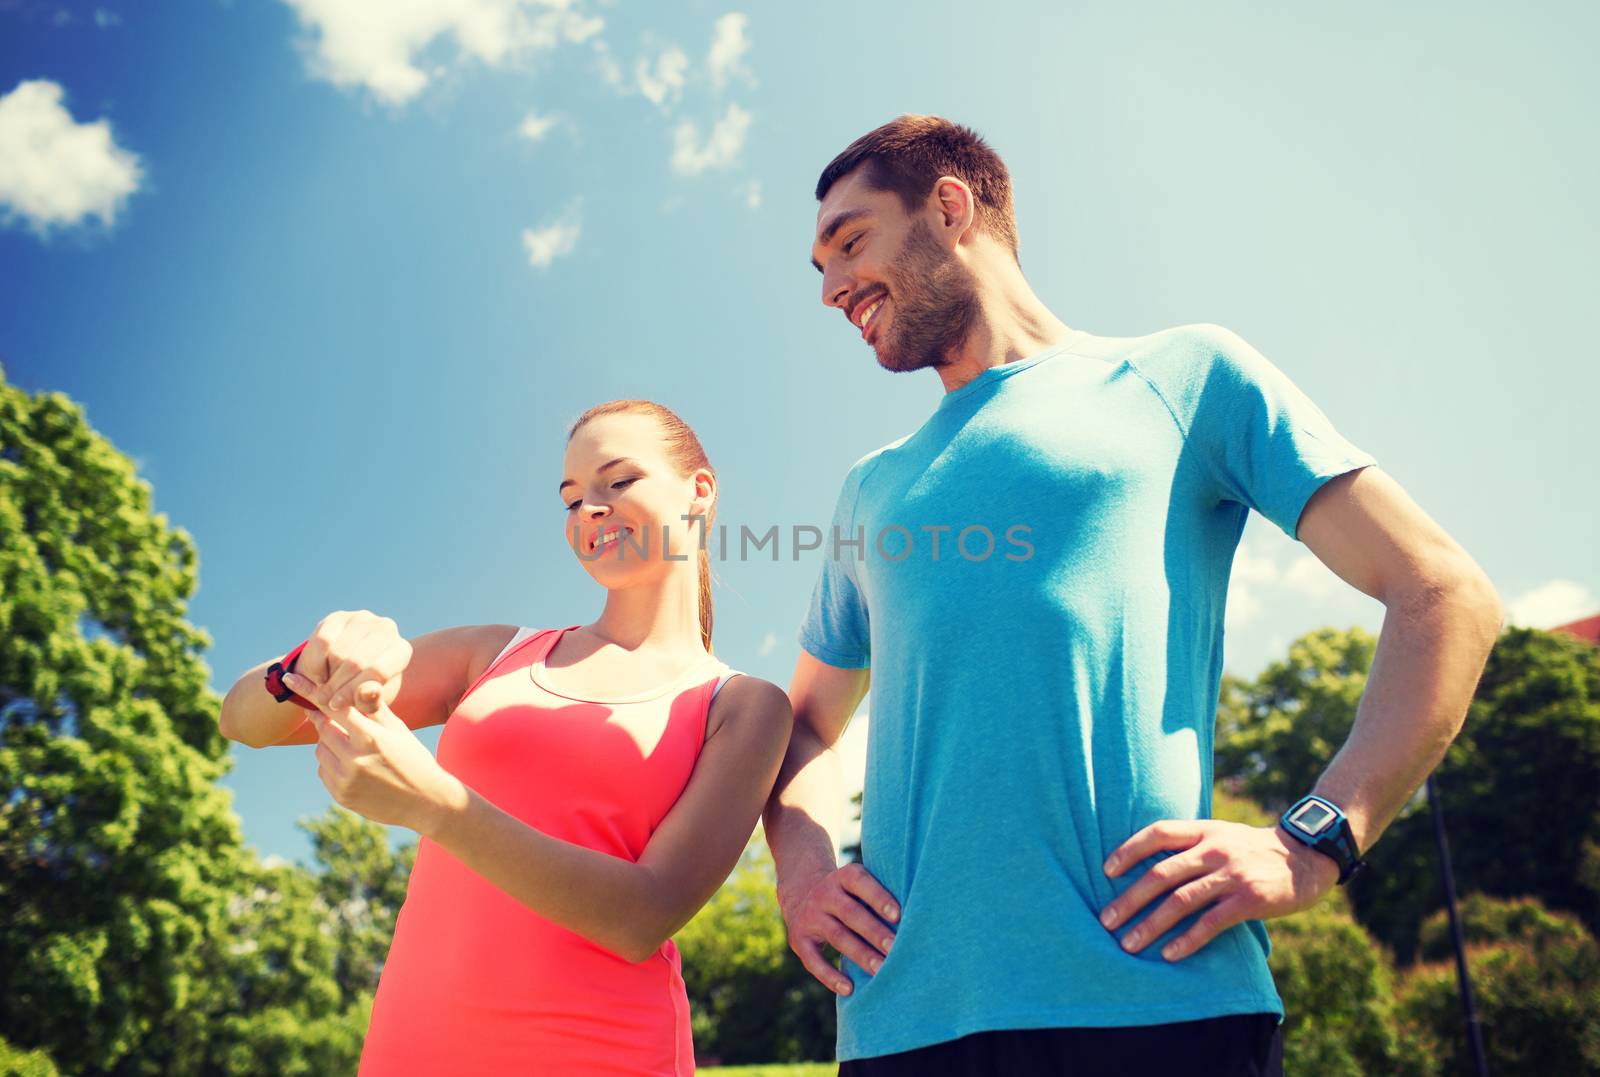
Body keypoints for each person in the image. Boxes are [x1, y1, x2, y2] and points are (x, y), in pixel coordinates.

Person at [762, 115, 1504, 1075]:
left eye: (850, 241)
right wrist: (804, 872)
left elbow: (1443, 589)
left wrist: (1314, 839)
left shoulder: (1182, 376)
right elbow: (806, 727)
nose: (830, 290)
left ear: (951, 208)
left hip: (1162, 1008)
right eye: (818, 267)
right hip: (906, 1022)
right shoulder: (873, 485)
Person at [219, 399, 793, 1076]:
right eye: (572, 498)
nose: (590, 510)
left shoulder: (743, 705)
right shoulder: (495, 653)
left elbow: (646, 914)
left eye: (618, 481)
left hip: (602, 1053)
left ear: (699, 492)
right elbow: (244, 720)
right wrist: (314, 657)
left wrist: (436, 806)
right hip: (414, 1046)